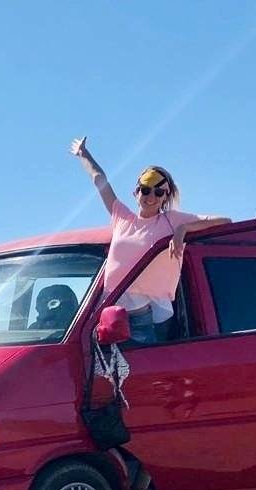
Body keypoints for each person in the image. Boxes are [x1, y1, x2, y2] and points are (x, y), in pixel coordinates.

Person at [70, 136, 231, 344]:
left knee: (141, 374)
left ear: (166, 196)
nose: (151, 196)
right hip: (111, 311)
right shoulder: (122, 217)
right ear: (136, 192)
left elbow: (225, 220)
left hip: (147, 316)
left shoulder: (173, 220)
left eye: (159, 191)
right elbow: (99, 178)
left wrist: (183, 229)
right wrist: (83, 153)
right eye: (146, 190)